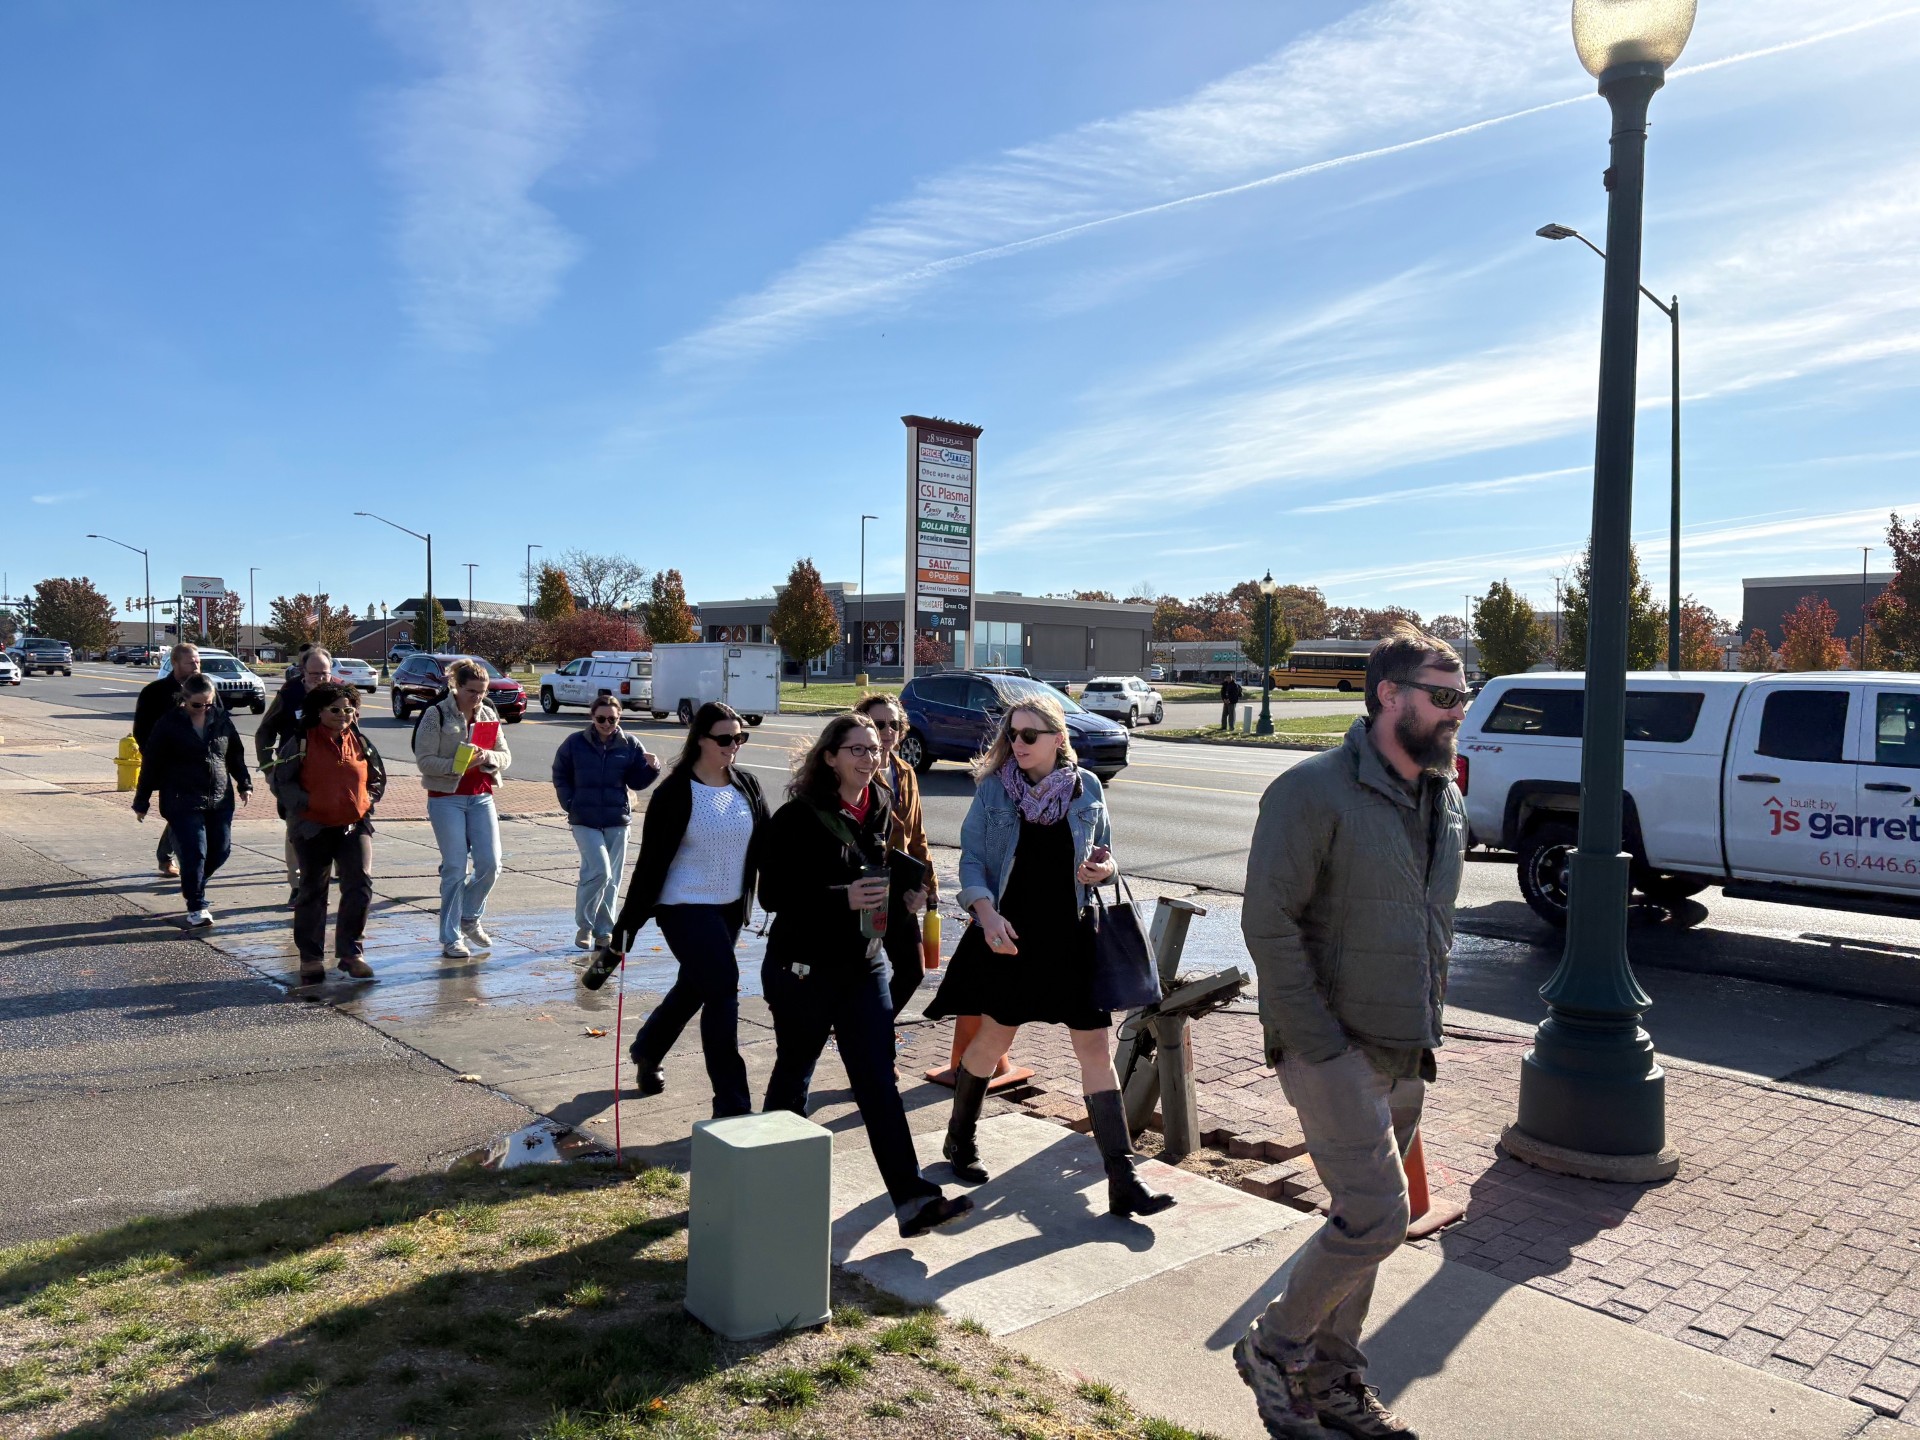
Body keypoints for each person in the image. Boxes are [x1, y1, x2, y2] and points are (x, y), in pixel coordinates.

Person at [1233, 625, 1468, 1440]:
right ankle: (1276, 1345)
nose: (1457, 711)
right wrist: (1319, 1044)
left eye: (1462, 696)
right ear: (1388, 697)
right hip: (1329, 1043)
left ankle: (1332, 1379)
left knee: (1365, 1225)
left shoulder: (1447, 797)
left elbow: (1429, 922)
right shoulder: (1311, 791)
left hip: (1408, 1044)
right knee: (1377, 1216)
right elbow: (1269, 924)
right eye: (1443, 695)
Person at [927, 691, 1174, 1219]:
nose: (1018, 744)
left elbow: (1106, 852)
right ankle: (959, 1138)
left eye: (1029, 735)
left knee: (1094, 1048)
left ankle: (1122, 1176)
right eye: (1011, 735)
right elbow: (970, 863)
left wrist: (1103, 870)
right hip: (1010, 935)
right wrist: (986, 914)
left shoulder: (1085, 789)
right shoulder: (994, 791)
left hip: (1072, 935)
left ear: (1058, 740)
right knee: (993, 1038)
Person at [757, 713, 972, 1238]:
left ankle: (913, 1198)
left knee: (877, 1080)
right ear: (829, 757)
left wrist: (908, 897)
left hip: (863, 965)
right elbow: (772, 896)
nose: (868, 758)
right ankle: (760, 1183)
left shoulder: (878, 803)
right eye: (856, 749)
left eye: (874, 749)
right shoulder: (796, 817)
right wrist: (840, 898)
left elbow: (875, 871)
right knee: (794, 1075)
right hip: (803, 967)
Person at [589, 702, 768, 1119]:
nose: (733, 746)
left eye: (739, 738)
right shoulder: (674, 793)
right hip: (683, 905)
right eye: (724, 739)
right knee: (723, 989)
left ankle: (647, 1050)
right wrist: (627, 925)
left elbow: (769, 845)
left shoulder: (747, 785)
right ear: (700, 740)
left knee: (695, 988)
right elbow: (651, 864)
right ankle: (732, 1106)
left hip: (728, 908)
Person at [269, 682, 385, 986]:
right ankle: (311, 957)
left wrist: (367, 800)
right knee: (313, 891)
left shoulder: (360, 740)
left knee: (359, 886)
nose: (342, 715)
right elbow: (282, 781)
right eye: (335, 709)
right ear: (319, 711)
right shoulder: (301, 741)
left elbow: (377, 777)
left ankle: (351, 954)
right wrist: (308, 805)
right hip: (311, 827)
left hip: (353, 825)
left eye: (348, 709)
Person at [131, 673, 251, 927]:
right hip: (181, 797)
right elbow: (151, 763)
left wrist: (244, 783)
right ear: (184, 700)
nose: (204, 709)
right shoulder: (169, 724)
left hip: (219, 796)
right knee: (195, 851)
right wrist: (142, 800)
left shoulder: (220, 719)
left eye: (209, 703)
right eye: (198, 705)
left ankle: (194, 883)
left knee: (221, 850)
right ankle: (196, 905)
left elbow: (235, 753)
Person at [415, 658, 511, 960]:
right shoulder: (435, 715)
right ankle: (450, 937)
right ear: (456, 686)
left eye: (483, 692)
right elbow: (424, 760)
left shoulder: (486, 714)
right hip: (446, 798)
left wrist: (488, 757)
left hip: (481, 796)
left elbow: (506, 756)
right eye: (472, 691)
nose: (478, 698)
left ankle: (469, 916)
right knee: (455, 868)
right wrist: (458, 764)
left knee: (491, 864)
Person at [552, 696, 661, 950]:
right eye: (601, 718)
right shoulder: (575, 743)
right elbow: (560, 773)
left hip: (616, 820)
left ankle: (604, 931)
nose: (607, 723)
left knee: (612, 880)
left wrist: (652, 769)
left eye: (612, 718)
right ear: (592, 717)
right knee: (600, 872)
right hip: (584, 819)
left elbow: (636, 782)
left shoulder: (629, 743)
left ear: (619, 717)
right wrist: (570, 802)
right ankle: (585, 925)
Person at [852, 692, 935, 1017]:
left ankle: (875, 1035)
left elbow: (918, 836)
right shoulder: (855, 773)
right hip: (868, 887)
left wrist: (928, 890)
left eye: (895, 724)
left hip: (902, 889)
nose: (888, 731)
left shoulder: (906, 772)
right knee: (860, 974)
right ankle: (869, 1045)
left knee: (912, 971)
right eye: (879, 724)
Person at [257, 646, 334, 905]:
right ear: (303, 672)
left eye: (324, 673)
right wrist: (268, 769)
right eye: (314, 674)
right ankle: (297, 884)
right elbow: (265, 731)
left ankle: (322, 879)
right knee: (296, 830)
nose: (320, 679)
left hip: (331, 776)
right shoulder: (290, 694)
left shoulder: (340, 695)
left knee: (332, 829)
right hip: (294, 775)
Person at [132, 643, 201, 878]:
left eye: (197, 661)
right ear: (175, 663)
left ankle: (166, 855)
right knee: (180, 813)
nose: (196, 665)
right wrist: (152, 758)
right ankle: (181, 864)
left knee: (190, 812)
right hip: (168, 766)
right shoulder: (155, 692)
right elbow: (141, 731)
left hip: (198, 765)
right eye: (190, 662)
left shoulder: (205, 689)